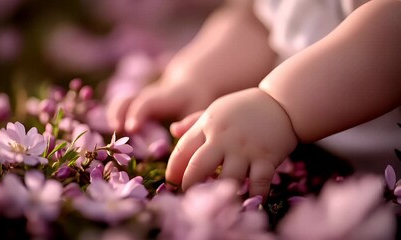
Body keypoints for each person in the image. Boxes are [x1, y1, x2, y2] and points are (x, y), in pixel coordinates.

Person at [107, 0, 401, 198]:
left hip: (381, 176)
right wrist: (196, 78)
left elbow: (389, 33)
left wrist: (281, 104)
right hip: (314, 162)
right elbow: (257, 18)